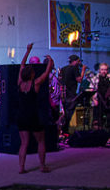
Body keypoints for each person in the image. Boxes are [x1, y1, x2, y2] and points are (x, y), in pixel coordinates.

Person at [16, 43, 53, 174]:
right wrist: (50, 62)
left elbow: (21, 66)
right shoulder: (35, 83)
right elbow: (47, 72)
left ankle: (21, 168)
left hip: (21, 116)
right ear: (31, 75)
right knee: (41, 140)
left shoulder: (20, 83)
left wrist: (27, 51)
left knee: (24, 143)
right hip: (33, 116)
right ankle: (42, 166)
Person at [60, 55, 87, 134]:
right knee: (70, 113)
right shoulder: (74, 68)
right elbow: (79, 80)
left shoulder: (63, 68)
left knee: (65, 113)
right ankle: (66, 131)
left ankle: (64, 131)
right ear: (74, 61)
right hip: (71, 94)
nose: (79, 63)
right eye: (78, 61)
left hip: (64, 94)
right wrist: (83, 70)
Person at [89, 62, 109, 128]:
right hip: (98, 101)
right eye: (102, 69)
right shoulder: (95, 78)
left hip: (107, 101)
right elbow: (91, 91)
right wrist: (94, 100)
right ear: (99, 70)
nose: (104, 71)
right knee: (97, 120)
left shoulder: (108, 78)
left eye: (105, 70)